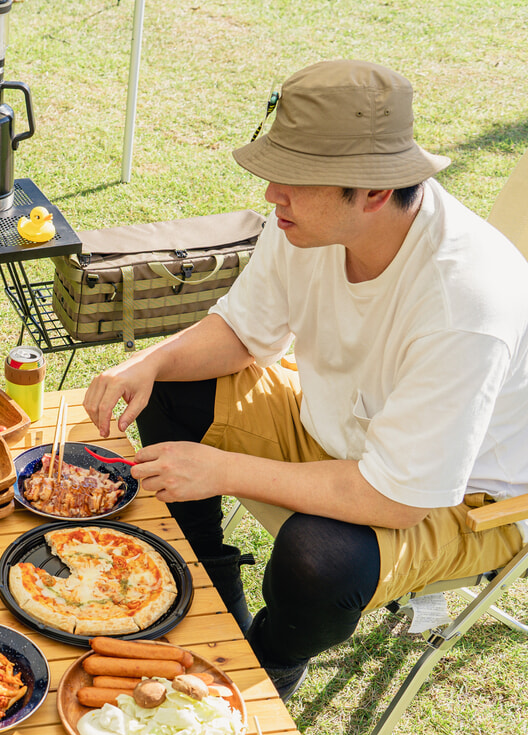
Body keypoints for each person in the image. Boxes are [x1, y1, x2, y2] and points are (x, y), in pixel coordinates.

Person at [82, 60, 528, 699]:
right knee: (175, 383)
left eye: (292, 179)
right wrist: (146, 363)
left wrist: (222, 469)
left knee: (319, 557)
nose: (271, 195)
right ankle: (210, 584)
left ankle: (267, 668)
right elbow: (242, 334)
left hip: (456, 500)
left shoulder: (465, 304)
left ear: (373, 190)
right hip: (330, 424)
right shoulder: (311, 222)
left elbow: (399, 497)